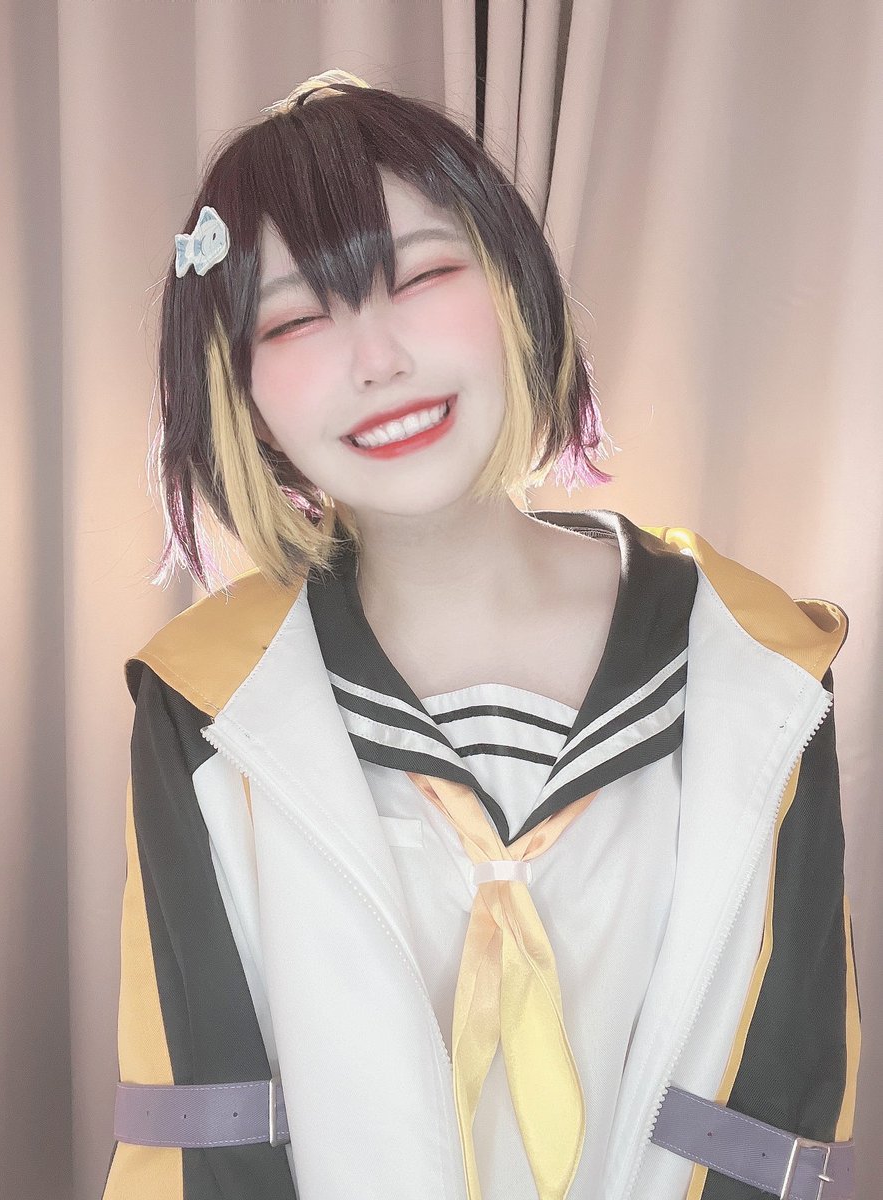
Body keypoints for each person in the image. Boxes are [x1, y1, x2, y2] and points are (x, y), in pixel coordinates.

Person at [102, 70, 860, 1200]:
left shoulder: (757, 669)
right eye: (297, 319)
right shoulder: (207, 704)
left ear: (517, 286)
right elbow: (209, 1124)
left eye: (421, 276)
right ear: (239, 389)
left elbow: (774, 1117)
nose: (377, 360)